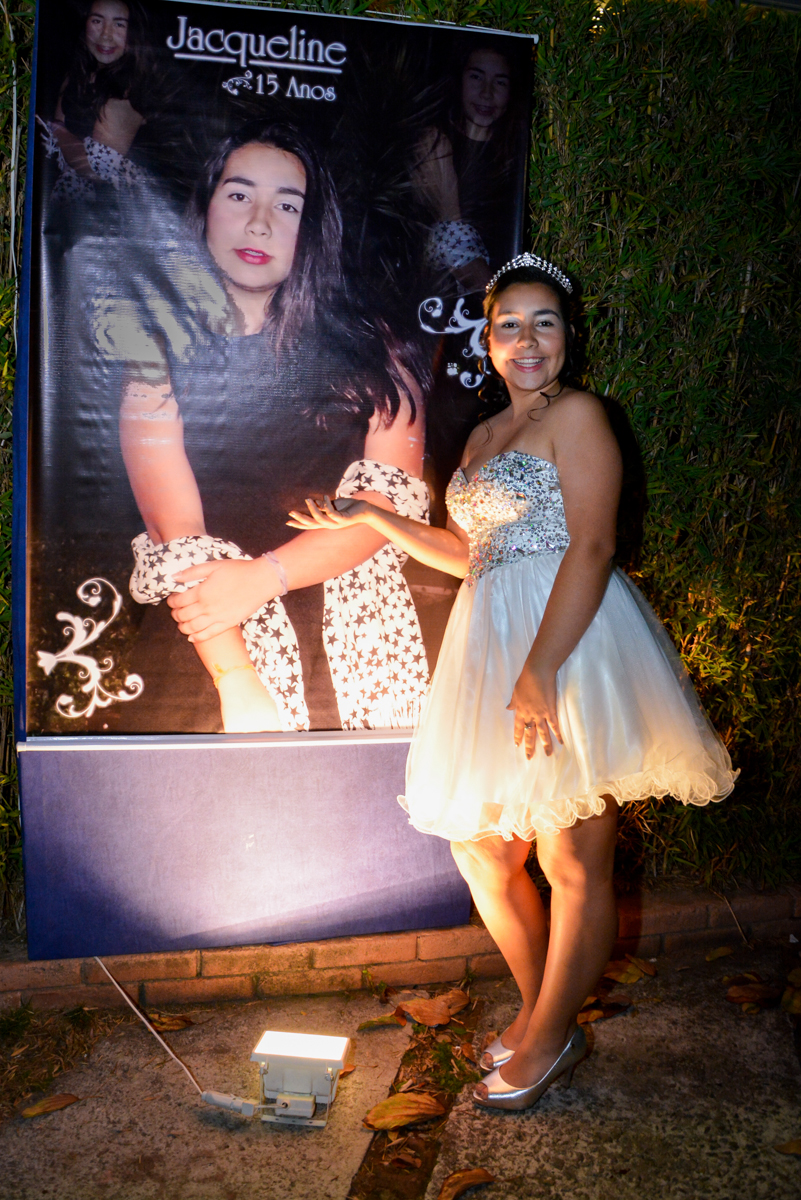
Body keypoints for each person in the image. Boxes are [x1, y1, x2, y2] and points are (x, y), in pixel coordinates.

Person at [289, 253, 737, 1109]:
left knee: (572, 855)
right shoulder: (484, 436)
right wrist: (380, 518)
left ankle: (545, 1034)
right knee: (486, 852)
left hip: (567, 642)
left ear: (568, 337)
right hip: (487, 639)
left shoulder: (580, 416)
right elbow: (472, 555)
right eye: (508, 325)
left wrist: (539, 671)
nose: (526, 340)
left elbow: (593, 545)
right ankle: (549, 1018)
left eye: (544, 323)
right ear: (488, 340)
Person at [112, 120, 429, 733]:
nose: (260, 222)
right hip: (209, 636)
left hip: (358, 630)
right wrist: (238, 682)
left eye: (287, 205)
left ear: (313, 231)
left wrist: (265, 577)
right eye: (239, 195)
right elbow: (175, 533)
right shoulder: (152, 351)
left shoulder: (380, 348)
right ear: (205, 208)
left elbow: (386, 504)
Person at [415, 45, 525, 292]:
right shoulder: (433, 145)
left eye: (500, 83)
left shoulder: (519, 159)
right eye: (476, 77)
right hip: (446, 305)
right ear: (459, 80)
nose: (486, 94)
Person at [39, 1, 152, 202]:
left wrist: (58, 131)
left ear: (134, 32)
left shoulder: (129, 89)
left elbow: (96, 171)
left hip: (112, 210)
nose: (106, 34)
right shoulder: (78, 73)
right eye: (97, 21)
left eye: (119, 24)